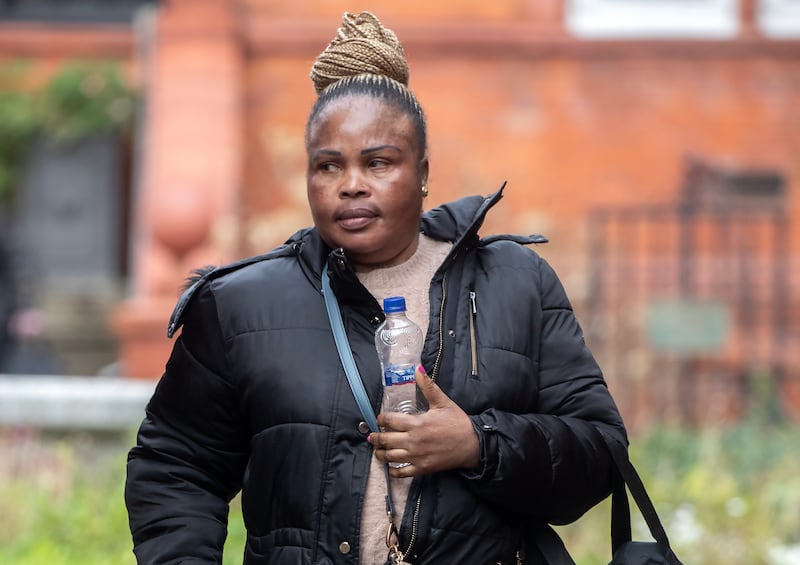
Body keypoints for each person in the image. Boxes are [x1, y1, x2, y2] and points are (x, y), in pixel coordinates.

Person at [125, 11, 627, 565]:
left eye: (378, 162)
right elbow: (174, 466)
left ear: (423, 171)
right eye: (328, 166)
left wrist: (479, 444)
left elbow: (600, 453)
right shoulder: (240, 304)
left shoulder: (515, 282)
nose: (351, 185)